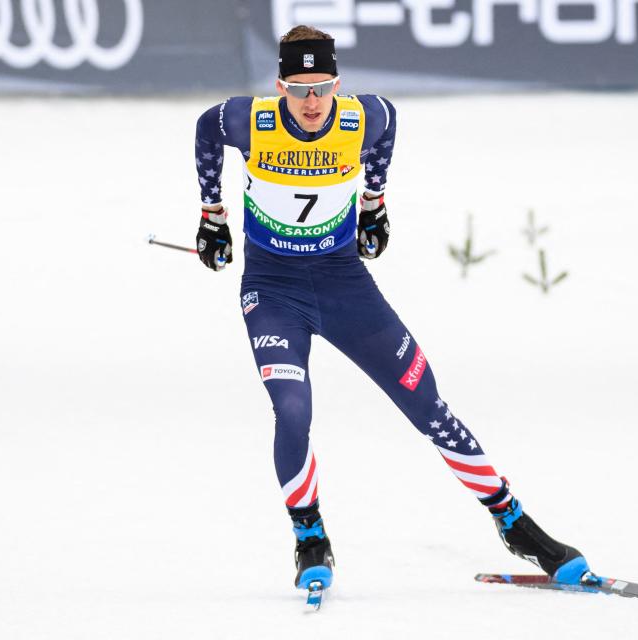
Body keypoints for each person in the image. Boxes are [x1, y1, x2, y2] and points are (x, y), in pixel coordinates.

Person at [192, 25, 591, 595]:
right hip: (273, 288)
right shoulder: (248, 119)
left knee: (426, 403)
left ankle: (515, 523)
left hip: (343, 284)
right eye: (300, 88)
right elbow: (207, 128)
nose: (311, 102)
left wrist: (375, 203)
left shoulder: (362, 118)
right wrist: (212, 213)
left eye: (323, 87)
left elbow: (388, 123)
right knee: (293, 408)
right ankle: (310, 537)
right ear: (279, 85)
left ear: (337, 85)